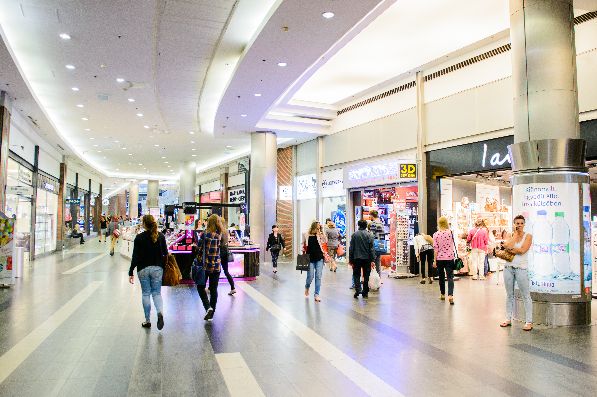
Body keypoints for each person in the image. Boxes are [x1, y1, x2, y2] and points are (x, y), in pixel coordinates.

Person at [128, 215, 168, 330]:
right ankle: (160, 313)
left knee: (146, 294)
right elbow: (165, 253)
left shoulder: (139, 238)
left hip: (143, 269)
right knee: (157, 293)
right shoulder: (161, 236)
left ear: (144, 224)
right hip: (157, 268)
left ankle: (147, 320)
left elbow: (135, 256)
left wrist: (131, 272)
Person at [500, 215, 533, 331]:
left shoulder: (528, 236)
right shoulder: (510, 235)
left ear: (524, 224)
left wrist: (510, 249)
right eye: (517, 223)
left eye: (521, 223)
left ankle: (529, 321)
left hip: (521, 268)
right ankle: (508, 318)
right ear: (514, 224)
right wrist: (514, 237)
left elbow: (523, 250)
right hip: (508, 267)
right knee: (509, 294)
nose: (519, 225)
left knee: (526, 295)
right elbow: (507, 246)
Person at [196, 214, 222, 320]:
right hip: (216, 266)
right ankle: (212, 311)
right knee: (213, 289)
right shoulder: (221, 235)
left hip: (205, 265)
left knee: (200, 287)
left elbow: (199, 249)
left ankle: (208, 308)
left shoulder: (205, 234)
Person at [302, 221, 328, 302]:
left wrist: (322, 233)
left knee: (318, 276)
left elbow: (325, 241)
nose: (318, 229)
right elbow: (303, 244)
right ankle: (307, 286)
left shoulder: (319, 235)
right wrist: (303, 253)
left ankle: (316, 294)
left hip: (319, 257)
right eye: (317, 227)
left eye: (319, 227)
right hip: (309, 258)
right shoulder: (306, 234)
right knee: (310, 276)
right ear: (313, 227)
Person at [349, 220, 376, 299]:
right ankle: (365, 292)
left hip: (356, 258)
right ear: (366, 225)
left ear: (358, 225)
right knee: (366, 275)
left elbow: (351, 248)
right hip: (367, 258)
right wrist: (373, 260)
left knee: (356, 274)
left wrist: (350, 260)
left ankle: (358, 290)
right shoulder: (370, 235)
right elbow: (371, 249)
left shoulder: (354, 235)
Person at [433, 216, 456, 305]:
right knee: (450, 277)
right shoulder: (450, 232)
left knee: (441, 277)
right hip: (449, 257)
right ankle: (450, 295)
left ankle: (442, 294)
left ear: (439, 223)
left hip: (440, 258)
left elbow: (436, 249)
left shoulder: (436, 234)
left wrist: (434, 260)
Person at [218, 216, 236, 295]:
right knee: (226, 271)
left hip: (220, 253)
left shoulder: (220, 231)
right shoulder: (226, 231)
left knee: (216, 271)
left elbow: (218, 242)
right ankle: (233, 287)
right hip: (225, 252)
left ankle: (211, 288)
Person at [368, 209, 385, 282]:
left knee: (372, 262)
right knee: (378, 262)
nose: (369, 217)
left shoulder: (373, 223)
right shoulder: (381, 223)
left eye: (370, 215)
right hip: (380, 244)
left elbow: (371, 236)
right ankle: (379, 279)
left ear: (372, 215)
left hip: (374, 244)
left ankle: (373, 280)